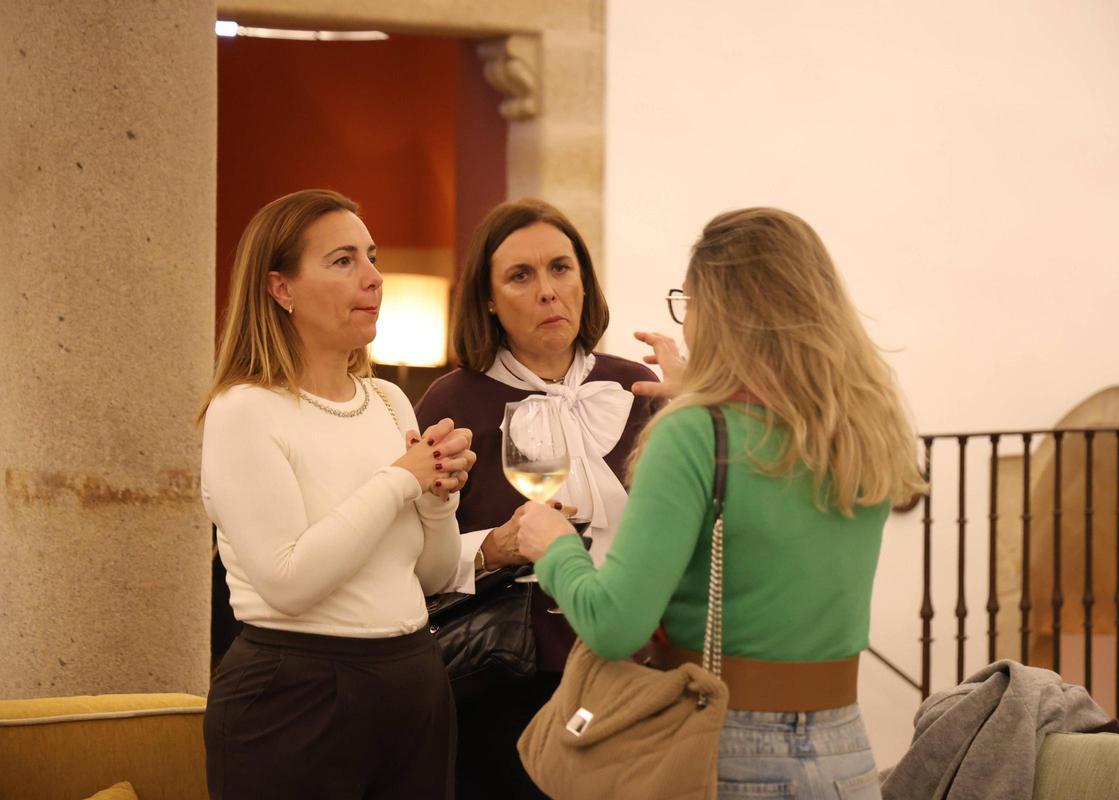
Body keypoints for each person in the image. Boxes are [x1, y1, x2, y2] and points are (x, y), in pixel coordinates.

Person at [517, 207, 926, 799]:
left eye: (690, 303)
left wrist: (554, 549)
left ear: (720, 311)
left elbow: (613, 625)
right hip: (845, 754)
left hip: (724, 749)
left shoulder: (695, 434)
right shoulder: (863, 425)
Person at [199, 189, 475, 799]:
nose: (374, 278)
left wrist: (437, 500)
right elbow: (288, 581)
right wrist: (403, 477)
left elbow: (430, 577)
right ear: (281, 289)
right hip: (294, 697)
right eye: (343, 260)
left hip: (413, 682)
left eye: (371, 257)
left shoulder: (388, 400)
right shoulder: (244, 411)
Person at [415, 198, 661, 799]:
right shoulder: (450, 403)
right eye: (521, 276)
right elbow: (407, 557)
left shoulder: (644, 391)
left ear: (584, 281)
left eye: (561, 268)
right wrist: (495, 548)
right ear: (489, 300)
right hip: (502, 674)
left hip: (631, 669)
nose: (548, 291)